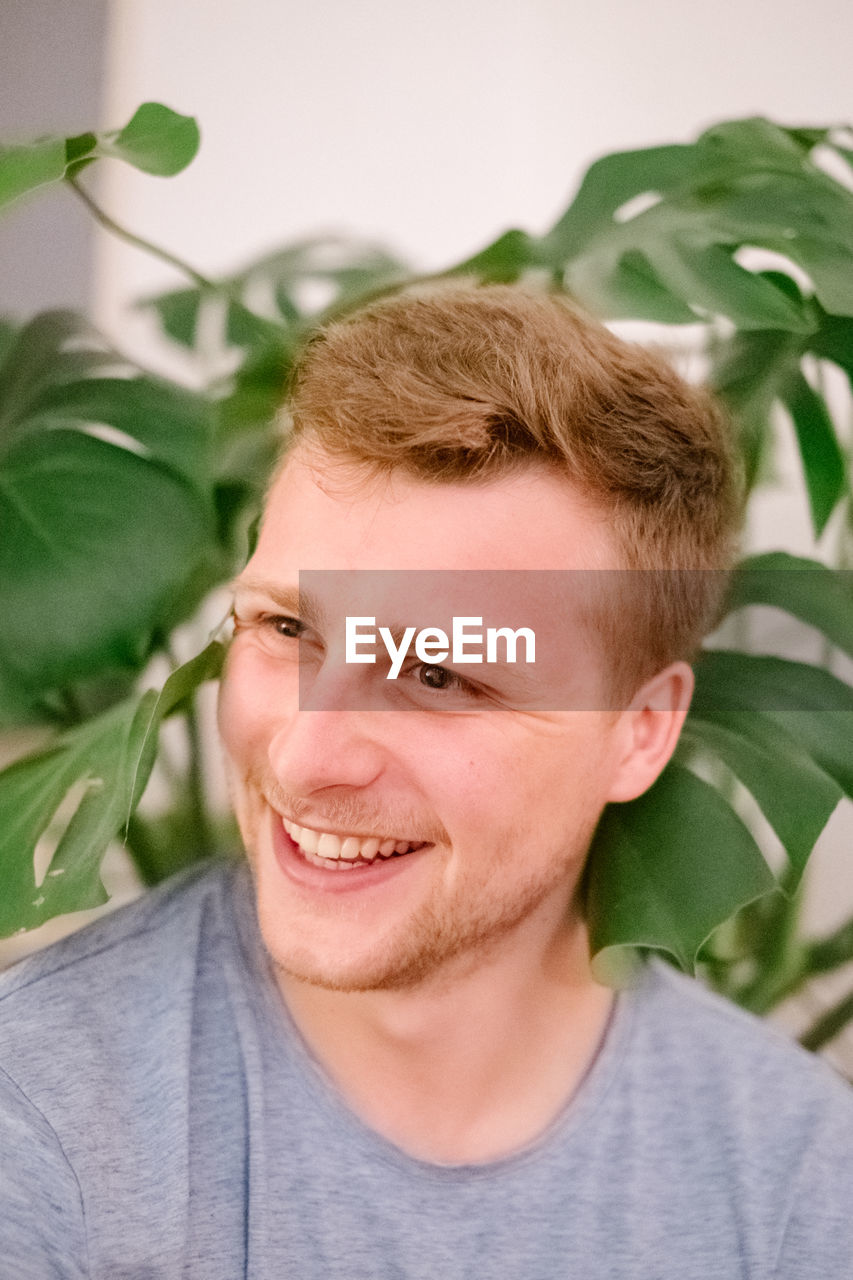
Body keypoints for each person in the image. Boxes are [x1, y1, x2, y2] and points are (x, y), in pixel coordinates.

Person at [1, 285, 851, 1278]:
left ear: (638, 729)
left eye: (439, 673)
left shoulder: (798, 1189)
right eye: (288, 629)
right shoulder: (41, 1117)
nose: (307, 758)